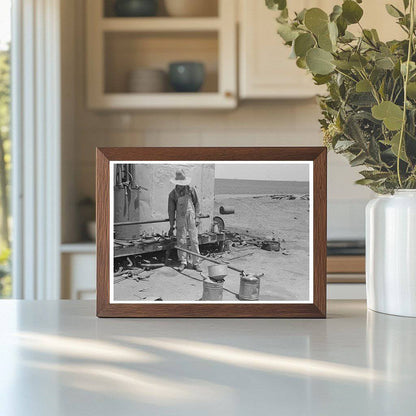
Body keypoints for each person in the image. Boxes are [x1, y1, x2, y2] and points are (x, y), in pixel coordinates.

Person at [168, 169, 202, 272]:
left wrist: (197, 217)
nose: (181, 185)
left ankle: (196, 263)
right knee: (181, 240)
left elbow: (196, 204)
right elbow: (171, 211)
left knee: (194, 240)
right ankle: (183, 262)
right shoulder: (172, 194)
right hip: (180, 218)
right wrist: (171, 226)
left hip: (191, 216)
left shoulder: (191, 190)